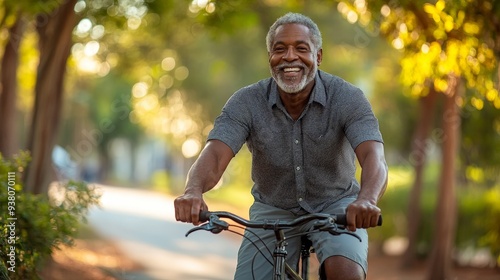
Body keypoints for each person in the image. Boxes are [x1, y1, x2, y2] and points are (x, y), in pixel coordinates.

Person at [174, 12, 388, 280]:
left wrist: (366, 200)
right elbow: (216, 155)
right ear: (270, 58)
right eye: (280, 49)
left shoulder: (347, 98)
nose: (289, 57)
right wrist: (192, 191)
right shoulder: (246, 102)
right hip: (272, 208)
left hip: (336, 206)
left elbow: (373, 157)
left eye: (301, 48)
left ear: (318, 57)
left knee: (345, 273)